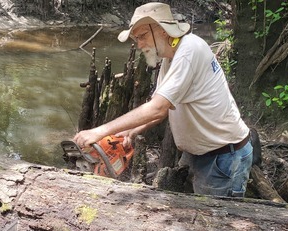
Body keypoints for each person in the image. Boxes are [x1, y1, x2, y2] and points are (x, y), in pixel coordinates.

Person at [73, 2, 253, 197]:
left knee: (216, 223)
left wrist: (100, 131)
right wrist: (131, 132)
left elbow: (157, 108)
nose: (139, 44)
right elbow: (164, 109)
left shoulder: (188, 51)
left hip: (224, 157)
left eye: (142, 36)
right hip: (204, 153)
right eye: (136, 38)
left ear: (163, 30)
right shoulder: (170, 58)